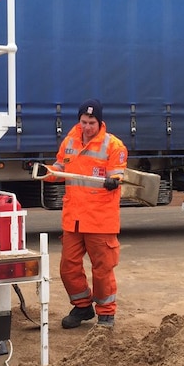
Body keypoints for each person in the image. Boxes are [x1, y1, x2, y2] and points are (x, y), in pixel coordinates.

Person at [46, 99, 128, 329]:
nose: (87, 126)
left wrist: (115, 181)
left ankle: (106, 314)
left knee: (102, 271)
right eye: (84, 121)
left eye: (92, 122)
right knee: (68, 268)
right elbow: (60, 168)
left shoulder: (114, 146)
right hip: (74, 218)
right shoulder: (70, 140)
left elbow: (118, 173)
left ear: (99, 122)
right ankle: (82, 307)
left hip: (100, 220)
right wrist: (46, 172)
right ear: (79, 120)